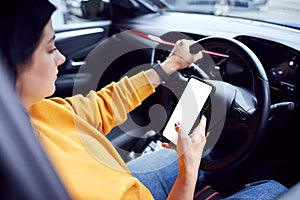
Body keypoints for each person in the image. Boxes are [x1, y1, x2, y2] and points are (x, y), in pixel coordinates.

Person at [0, 0, 288, 199]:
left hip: (126, 185)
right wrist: (187, 172)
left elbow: (106, 103)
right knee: (274, 189)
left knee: (172, 156)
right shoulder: (36, 182)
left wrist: (168, 67)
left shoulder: (39, 110)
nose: (62, 58)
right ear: (9, 68)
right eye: (50, 50)